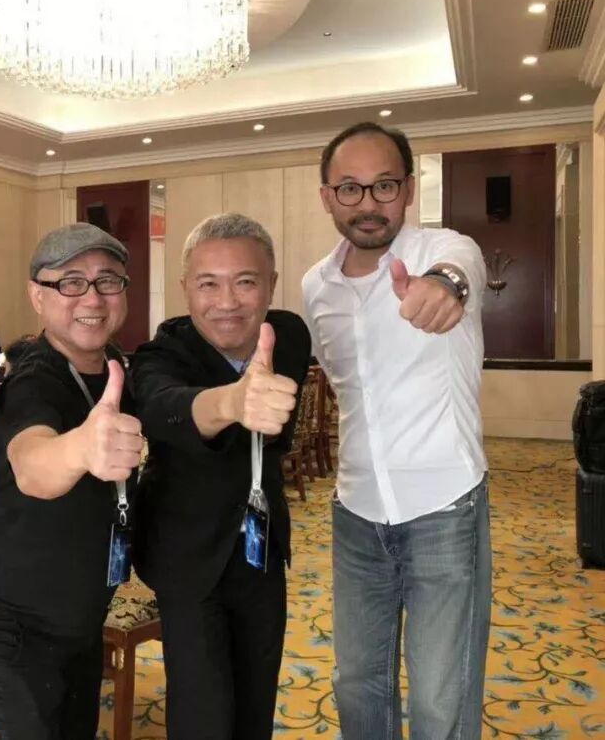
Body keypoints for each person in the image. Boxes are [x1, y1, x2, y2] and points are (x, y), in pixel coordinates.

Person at [301, 122, 490, 739]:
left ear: (407, 188)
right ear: (327, 197)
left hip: (444, 506)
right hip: (356, 511)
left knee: (439, 696)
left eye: (383, 186)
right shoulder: (315, 287)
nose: (368, 204)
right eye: (349, 189)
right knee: (358, 684)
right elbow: (344, 387)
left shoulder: (445, 248)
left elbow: (460, 271)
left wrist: (444, 286)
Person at [0, 223, 144, 740]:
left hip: (79, 612)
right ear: (37, 296)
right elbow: (31, 463)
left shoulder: (116, 367)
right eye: (71, 282)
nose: (92, 297)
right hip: (14, 621)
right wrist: (82, 447)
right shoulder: (32, 376)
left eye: (107, 280)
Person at [131, 213, 310, 739]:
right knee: (203, 713)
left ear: (271, 284)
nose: (226, 302)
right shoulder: (160, 355)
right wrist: (233, 402)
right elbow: (163, 408)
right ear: (186, 287)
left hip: (260, 548)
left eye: (245, 282)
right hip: (187, 554)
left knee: (256, 701)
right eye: (208, 284)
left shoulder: (287, 336)